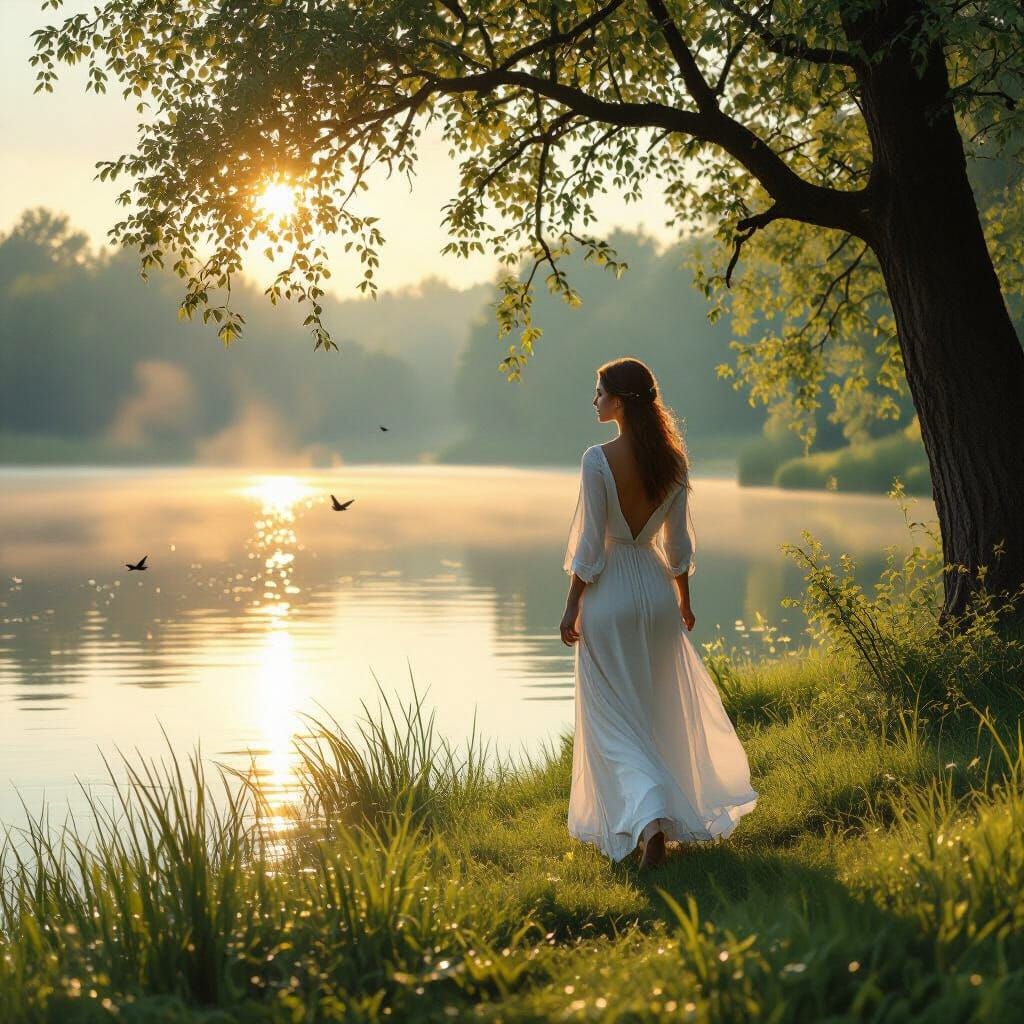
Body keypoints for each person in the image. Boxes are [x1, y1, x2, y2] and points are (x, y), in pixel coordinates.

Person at [559, 357, 758, 869]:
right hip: (655, 590)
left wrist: (571, 604)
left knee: (612, 720)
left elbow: (589, 548)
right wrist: (684, 602)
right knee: (654, 708)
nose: (594, 400)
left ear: (621, 402)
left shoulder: (597, 460)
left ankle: (649, 818)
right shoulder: (674, 463)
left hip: (610, 596)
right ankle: (659, 817)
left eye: (600, 392)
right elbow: (679, 546)